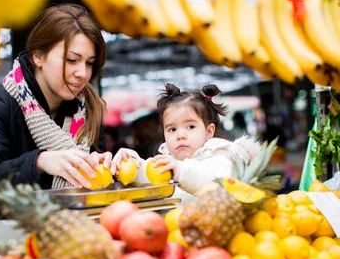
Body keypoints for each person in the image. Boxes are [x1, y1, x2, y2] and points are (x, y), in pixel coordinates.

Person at [0, 4, 110, 249]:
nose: (82, 73)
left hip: (75, 245)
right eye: (71, 60)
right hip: (8, 249)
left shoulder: (90, 110)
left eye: (89, 63)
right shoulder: (3, 104)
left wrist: (114, 167)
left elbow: (96, 185)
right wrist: (38, 162)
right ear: (38, 56)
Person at [112, 83, 262, 205]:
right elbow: (149, 174)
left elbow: (214, 184)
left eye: (190, 127)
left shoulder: (222, 156)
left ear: (208, 131)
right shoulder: (171, 161)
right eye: (172, 129)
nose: (180, 135)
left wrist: (179, 170)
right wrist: (129, 164)